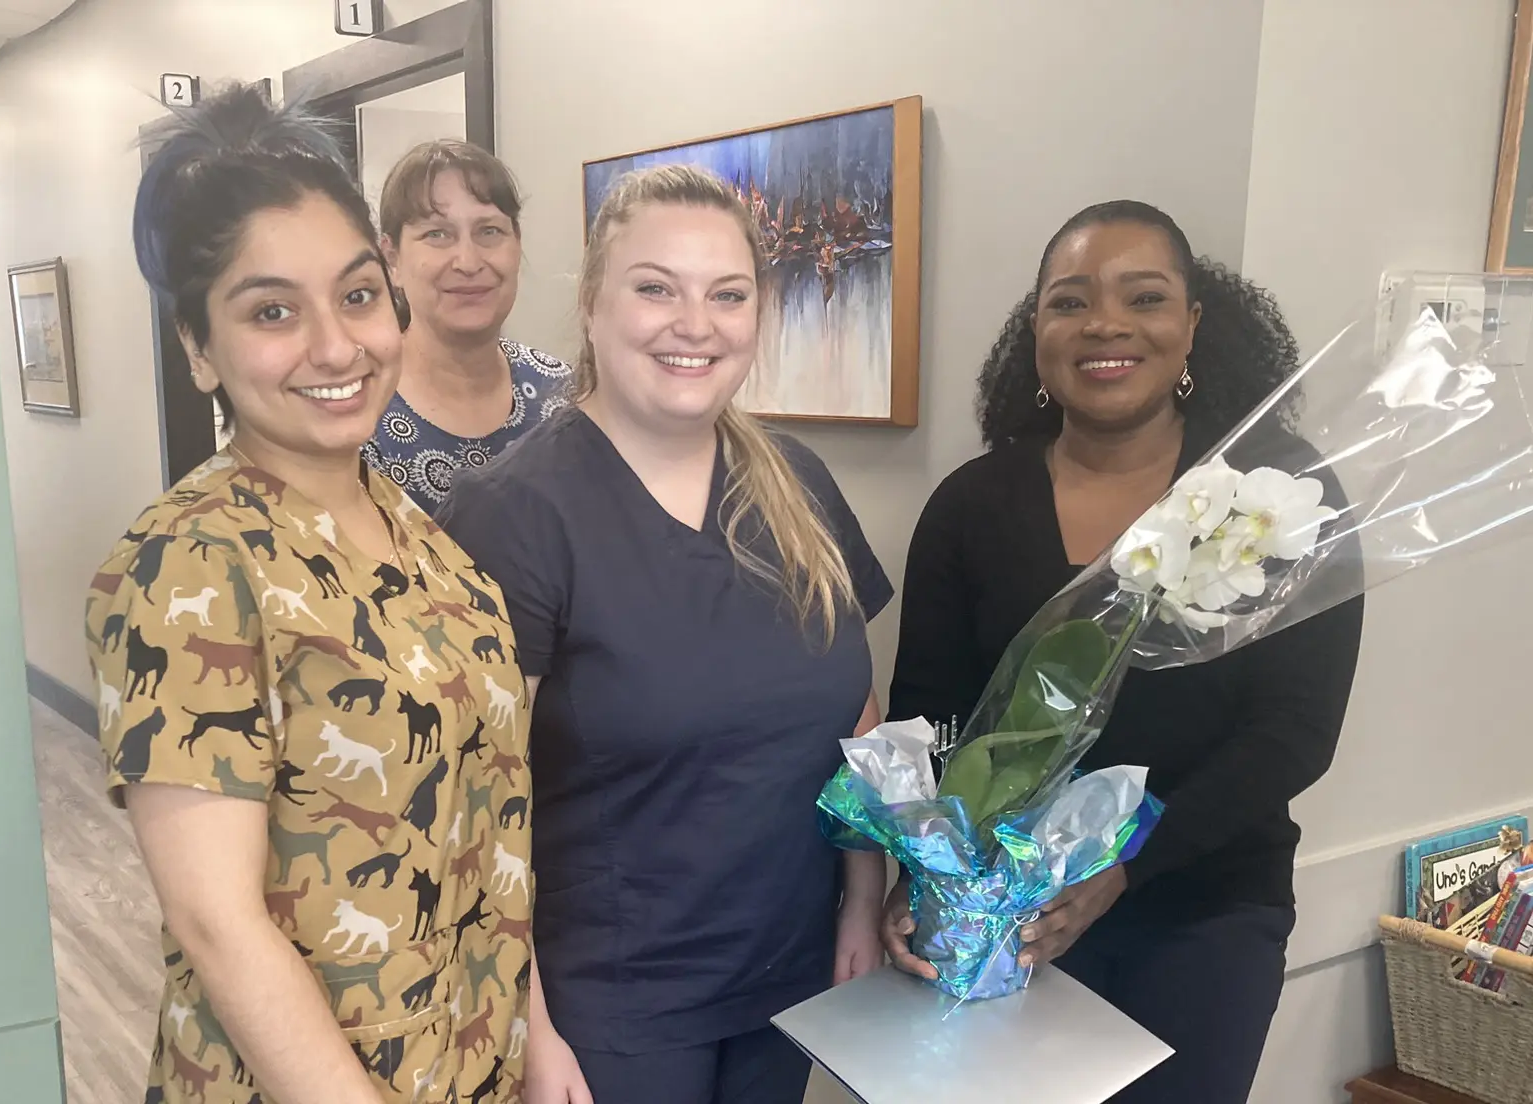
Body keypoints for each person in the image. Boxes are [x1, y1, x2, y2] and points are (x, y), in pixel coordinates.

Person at [89, 84, 530, 1104]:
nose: (337, 346)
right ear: (198, 346)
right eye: (273, 311)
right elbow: (215, 922)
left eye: (359, 294)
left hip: (471, 1063)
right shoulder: (188, 562)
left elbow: (489, 828)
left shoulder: (423, 534)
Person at [880, 200, 1364, 1104]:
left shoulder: (1278, 499)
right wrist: (929, 870)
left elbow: (1294, 733)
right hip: (999, 912)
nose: (1105, 323)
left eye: (1144, 297)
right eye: (1070, 302)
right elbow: (928, 716)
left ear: (1191, 326)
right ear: (1037, 331)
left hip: (1203, 914)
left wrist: (1121, 865)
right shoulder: (971, 506)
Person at [437, 164, 893, 1104]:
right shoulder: (514, 516)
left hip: (787, 972)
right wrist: (528, 1024)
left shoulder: (798, 485)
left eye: (728, 295)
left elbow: (856, 711)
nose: (696, 325)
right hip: (611, 1005)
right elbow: (469, 807)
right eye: (656, 289)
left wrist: (861, 895)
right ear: (594, 305)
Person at [364, 139, 571, 510]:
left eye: (489, 231)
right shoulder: (357, 418)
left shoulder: (564, 395)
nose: (468, 261)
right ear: (391, 259)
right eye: (437, 234)